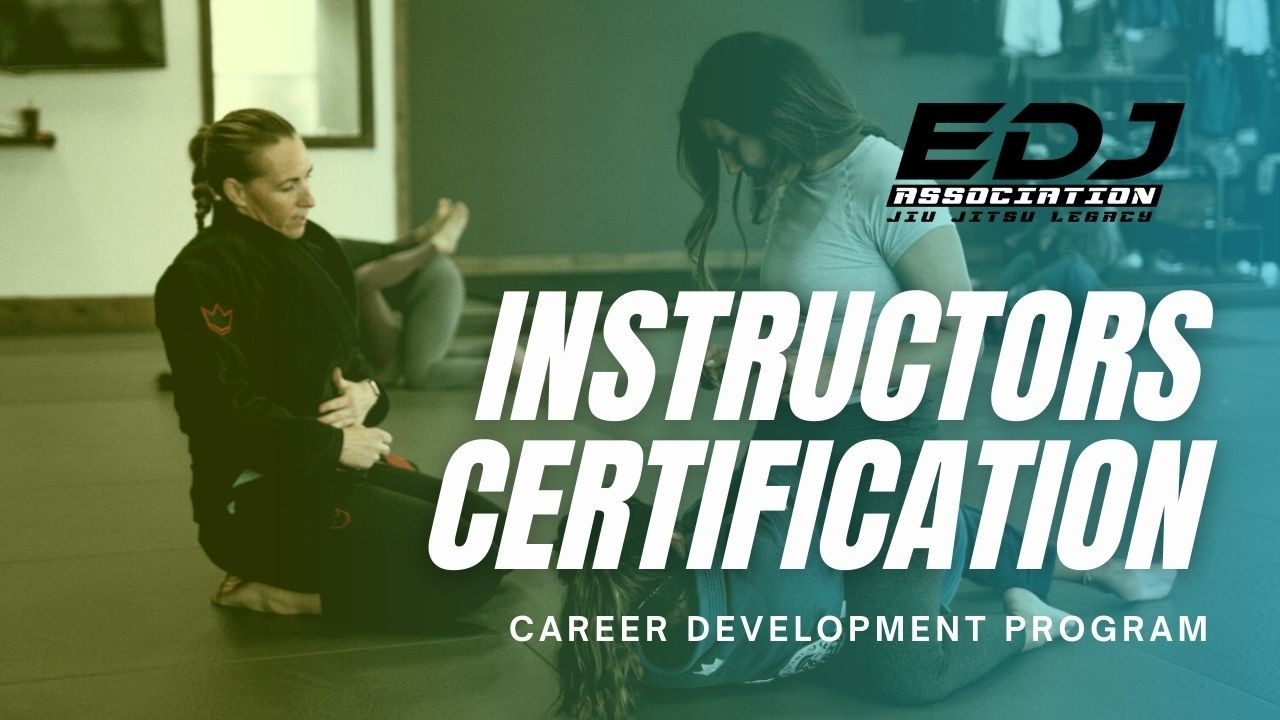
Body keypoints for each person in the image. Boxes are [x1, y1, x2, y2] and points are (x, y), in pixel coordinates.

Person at [556, 33, 1176, 718]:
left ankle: (1033, 615)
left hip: (887, 447)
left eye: (732, 143)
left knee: (901, 667)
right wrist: (753, 351)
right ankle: (1045, 553)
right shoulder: (789, 184)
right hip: (794, 439)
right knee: (726, 587)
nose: (731, 164)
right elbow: (821, 314)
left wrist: (820, 368)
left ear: (776, 113)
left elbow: (961, 341)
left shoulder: (887, 177)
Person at [155, 108, 505, 630]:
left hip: (326, 471)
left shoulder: (314, 250)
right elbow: (218, 414)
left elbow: (357, 365)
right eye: (288, 186)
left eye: (308, 178)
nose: (309, 199)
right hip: (253, 500)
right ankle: (291, 600)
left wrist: (367, 393)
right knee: (472, 570)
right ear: (236, 192)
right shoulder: (201, 276)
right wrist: (333, 444)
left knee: (493, 531)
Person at [337, 198, 471, 388]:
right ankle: (426, 239)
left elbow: (376, 261)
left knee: (422, 374)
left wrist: (430, 247)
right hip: (415, 282)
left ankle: (509, 369)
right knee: (426, 354)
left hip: (433, 281)